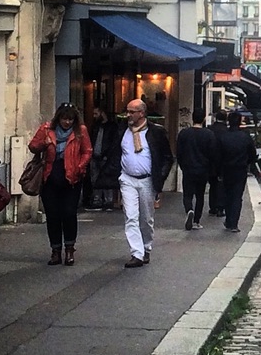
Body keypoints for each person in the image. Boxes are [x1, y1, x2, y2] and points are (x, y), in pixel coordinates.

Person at [103, 99, 173, 268]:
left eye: (132, 112)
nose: (128, 115)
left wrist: (160, 179)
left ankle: (146, 247)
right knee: (131, 216)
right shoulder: (122, 131)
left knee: (146, 219)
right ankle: (137, 253)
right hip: (127, 179)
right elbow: (115, 153)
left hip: (147, 180)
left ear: (142, 113)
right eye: (127, 111)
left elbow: (167, 157)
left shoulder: (155, 132)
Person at [29, 103, 93, 266]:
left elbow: (87, 151)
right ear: (58, 118)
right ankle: (55, 250)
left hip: (72, 177)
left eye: (70, 119)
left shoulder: (80, 131)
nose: (67, 122)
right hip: (50, 176)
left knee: (69, 213)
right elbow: (33, 146)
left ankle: (69, 249)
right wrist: (44, 143)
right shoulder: (46, 129)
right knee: (53, 215)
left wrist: (80, 166)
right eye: (64, 119)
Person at [176, 108, 218, 232]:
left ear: (192, 118)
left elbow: (179, 152)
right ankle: (196, 221)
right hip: (203, 169)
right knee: (200, 195)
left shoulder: (184, 133)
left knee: (187, 194)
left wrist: (182, 165)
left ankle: (189, 209)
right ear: (204, 118)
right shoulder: (209, 134)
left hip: (188, 168)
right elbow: (213, 154)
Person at [217, 110, 259, 233]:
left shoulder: (223, 137)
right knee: (237, 196)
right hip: (240, 169)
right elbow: (252, 154)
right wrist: (247, 163)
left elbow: (217, 155)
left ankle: (228, 219)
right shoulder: (245, 137)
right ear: (240, 121)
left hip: (226, 169)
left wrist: (218, 170)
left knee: (227, 194)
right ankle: (233, 223)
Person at [86, 106, 118, 210]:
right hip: (95, 155)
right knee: (95, 178)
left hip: (106, 156)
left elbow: (113, 143)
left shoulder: (112, 127)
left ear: (102, 113)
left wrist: (108, 155)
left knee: (107, 178)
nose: (94, 116)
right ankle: (97, 200)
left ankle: (108, 201)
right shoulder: (95, 126)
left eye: (96, 113)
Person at [207, 109, 228, 217]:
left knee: (213, 184)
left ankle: (212, 207)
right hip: (223, 161)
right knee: (222, 185)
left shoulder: (210, 129)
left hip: (210, 161)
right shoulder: (226, 131)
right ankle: (220, 207)